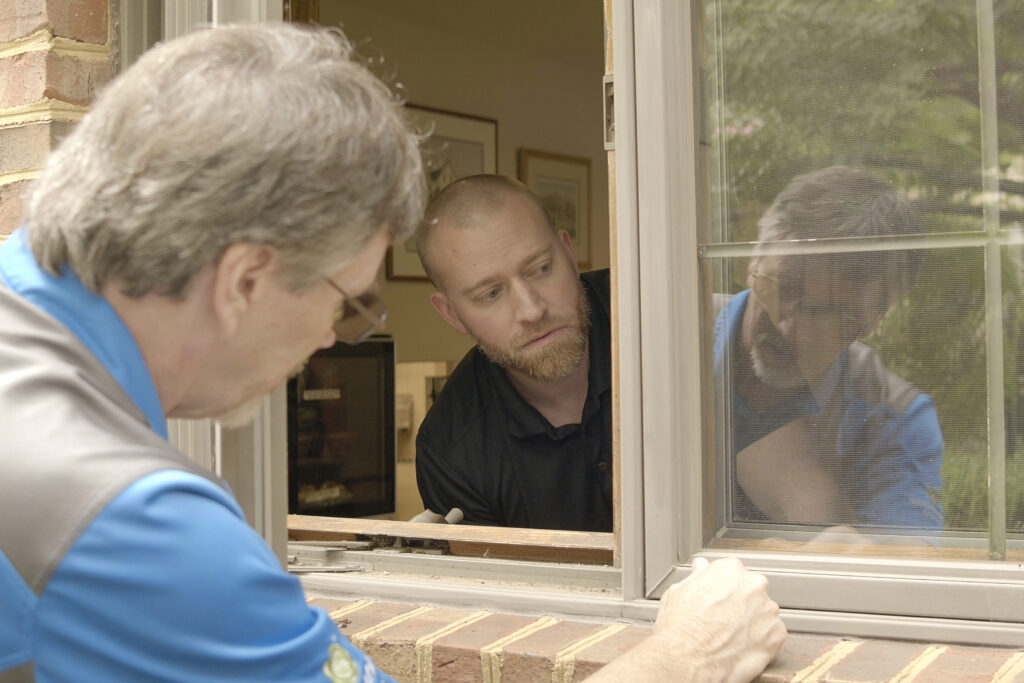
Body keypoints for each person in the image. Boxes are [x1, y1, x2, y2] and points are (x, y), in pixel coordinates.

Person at [0, 23, 785, 682]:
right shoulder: (136, 524)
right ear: (245, 279)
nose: (328, 342)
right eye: (348, 301)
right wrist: (689, 655)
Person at [717, 166, 944, 529]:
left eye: (831, 312)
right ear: (753, 260)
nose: (789, 327)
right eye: (785, 287)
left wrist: (816, 508)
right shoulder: (661, 337)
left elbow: (907, 567)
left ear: (875, 319)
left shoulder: (896, 416)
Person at [414, 175, 612, 531]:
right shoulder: (451, 449)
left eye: (541, 269)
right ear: (451, 314)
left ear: (568, 253)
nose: (532, 310)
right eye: (491, 294)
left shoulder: (664, 321)